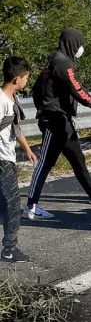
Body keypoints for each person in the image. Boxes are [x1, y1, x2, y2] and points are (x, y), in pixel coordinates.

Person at [25, 28, 91, 220]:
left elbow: (36, 88)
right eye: (80, 44)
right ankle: (31, 206)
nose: (81, 48)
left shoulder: (53, 60)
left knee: (78, 159)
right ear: (72, 43)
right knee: (45, 164)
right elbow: (77, 89)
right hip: (55, 121)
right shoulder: (63, 62)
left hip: (62, 120)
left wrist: (43, 106)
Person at [0, 57, 37, 262]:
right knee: (12, 204)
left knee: (5, 203)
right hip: (1, 159)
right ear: (16, 79)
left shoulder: (12, 99)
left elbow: (15, 129)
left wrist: (28, 150)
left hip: (8, 157)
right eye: (25, 78)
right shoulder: (1, 101)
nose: (26, 81)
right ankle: (9, 249)